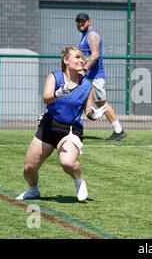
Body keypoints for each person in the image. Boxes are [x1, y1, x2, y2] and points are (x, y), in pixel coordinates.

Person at [16, 46, 106, 201]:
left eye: (81, 57)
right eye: (76, 57)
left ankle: (79, 181)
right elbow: (46, 98)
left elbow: (88, 111)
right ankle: (33, 190)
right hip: (49, 126)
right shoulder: (55, 77)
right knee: (29, 168)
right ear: (66, 60)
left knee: (67, 163)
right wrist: (57, 94)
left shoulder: (86, 85)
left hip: (70, 130)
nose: (81, 60)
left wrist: (94, 115)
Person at [75, 12, 127, 141]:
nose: (80, 23)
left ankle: (119, 130)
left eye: (83, 21)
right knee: (82, 101)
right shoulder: (84, 36)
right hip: (89, 76)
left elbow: (95, 55)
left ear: (89, 22)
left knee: (101, 103)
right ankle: (74, 129)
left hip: (95, 76)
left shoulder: (92, 35)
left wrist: (84, 69)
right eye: (78, 21)